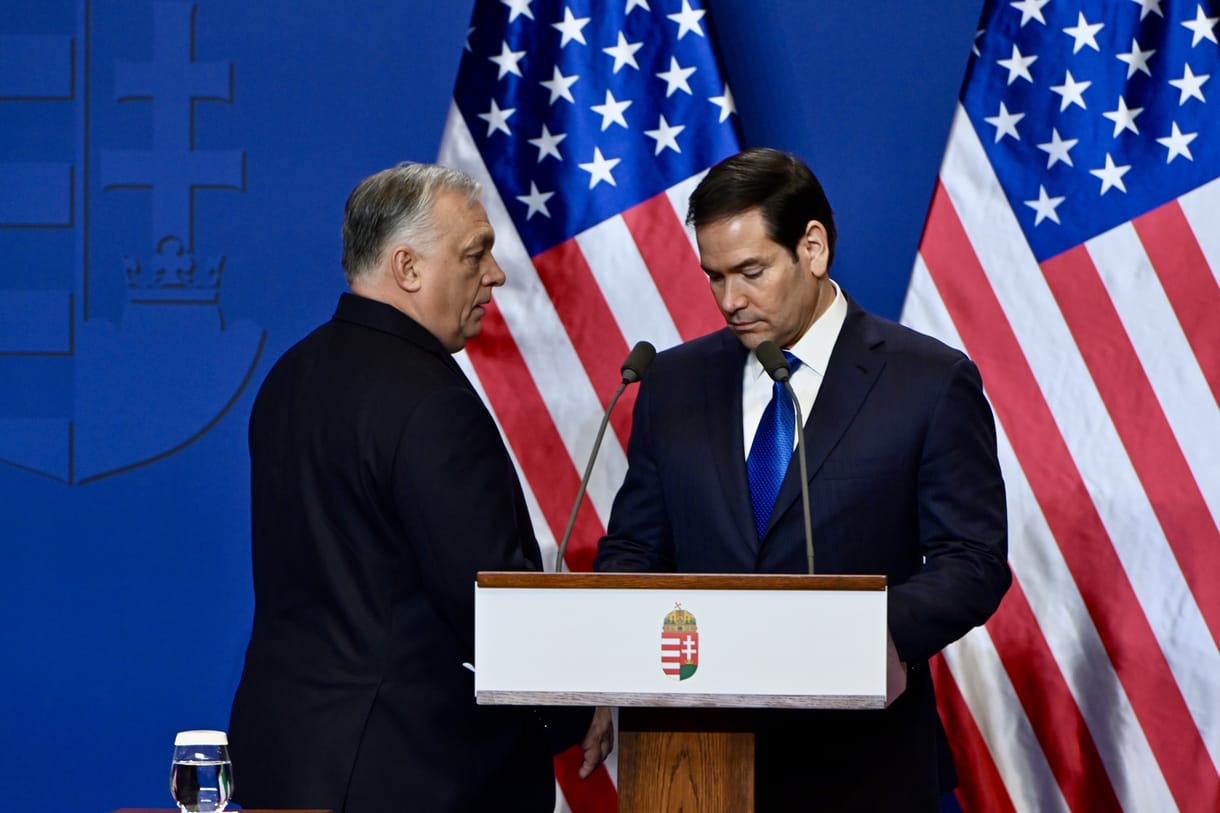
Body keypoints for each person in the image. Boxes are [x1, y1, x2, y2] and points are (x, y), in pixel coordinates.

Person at [594, 148, 1011, 811]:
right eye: (714, 277)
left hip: (861, 762)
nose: (730, 301)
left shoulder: (929, 382)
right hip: (694, 760)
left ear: (812, 248)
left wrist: (860, 631)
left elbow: (973, 560)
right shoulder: (672, 382)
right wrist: (609, 661)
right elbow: (635, 548)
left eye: (750, 272)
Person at [228, 162, 612, 813]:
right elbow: (487, 603)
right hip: (407, 772)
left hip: (283, 758)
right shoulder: (432, 401)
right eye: (475, 254)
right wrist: (578, 707)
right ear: (407, 267)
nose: (496, 274)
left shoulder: (288, 377)